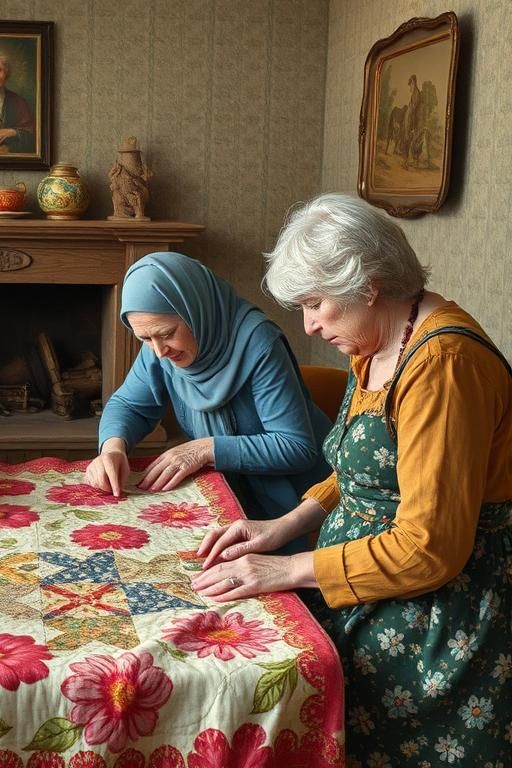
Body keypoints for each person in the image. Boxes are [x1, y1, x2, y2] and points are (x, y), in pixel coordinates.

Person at [194, 193, 512, 763]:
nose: (311, 326)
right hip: (367, 584)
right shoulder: (381, 340)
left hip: (438, 618)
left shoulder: (443, 366)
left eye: (316, 304)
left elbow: (431, 549)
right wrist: (286, 523)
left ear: (366, 285)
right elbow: (363, 468)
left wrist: (288, 568)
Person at [85, 251, 331, 542]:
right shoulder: (161, 348)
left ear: (195, 310)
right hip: (226, 490)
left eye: (167, 333)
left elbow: (296, 447)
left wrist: (204, 450)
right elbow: (129, 404)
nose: (159, 351)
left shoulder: (259, 342)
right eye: (145, 338)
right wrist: (113, 448)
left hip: (297, 506)